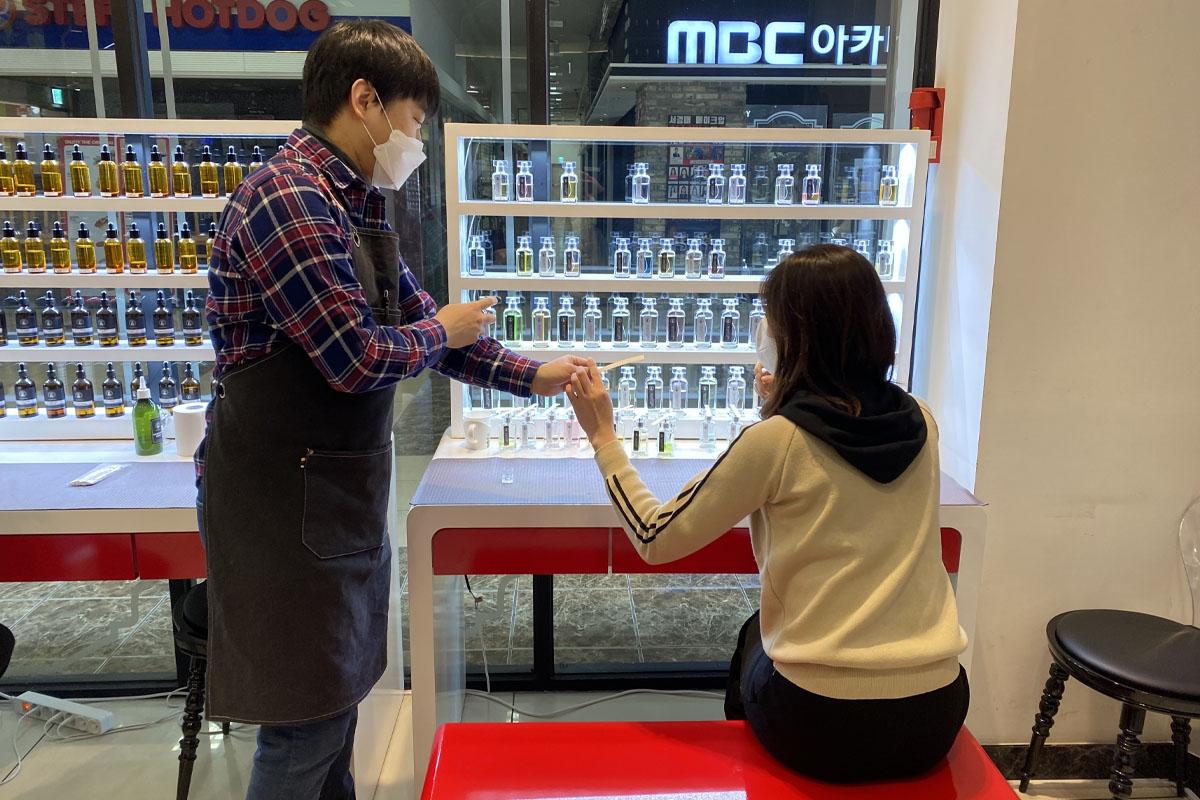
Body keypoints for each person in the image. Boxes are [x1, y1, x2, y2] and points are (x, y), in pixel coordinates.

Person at [195, 20, 589, 799]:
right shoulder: (290, 199)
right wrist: (441, 327)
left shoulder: (356, 203)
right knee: (304, 724)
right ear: (364, 99)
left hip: (331, 490)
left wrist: (534, 374)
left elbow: (423, 331)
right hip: (281, 500)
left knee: (334, 711)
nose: (413, 138)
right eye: (413, 120)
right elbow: (356, 358)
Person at [567, 244, 969, 783]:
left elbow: (654, 537)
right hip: (937, 710)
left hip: (823, 720)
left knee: (753, 639)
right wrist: (781, 405)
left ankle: (763, 779)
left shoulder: (777, 441)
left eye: (772, 320)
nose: (763, 331)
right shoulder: (922, 418)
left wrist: (602, 435)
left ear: (798, 336)